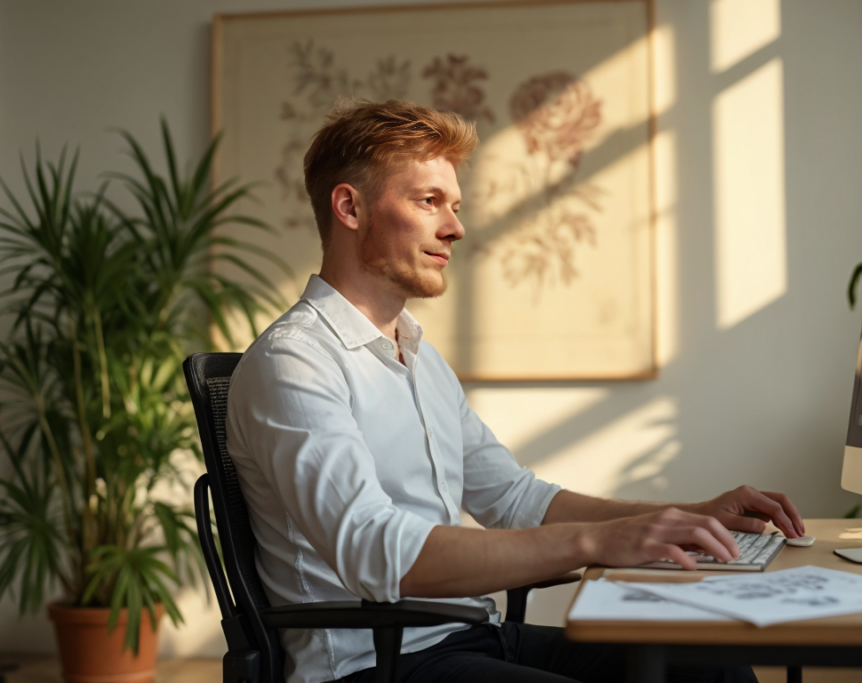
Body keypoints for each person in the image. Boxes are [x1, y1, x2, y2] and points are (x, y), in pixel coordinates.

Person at [226, 99, 805, 683]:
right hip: (373, 665)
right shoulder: (292, 363)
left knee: (712, 668)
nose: (454, 227)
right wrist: (594, 541)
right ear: (349, 207)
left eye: (453, 206)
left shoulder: (418, 357)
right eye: (428, 201)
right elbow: (378, 552)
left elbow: (516, 500)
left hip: (472, 637)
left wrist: (683, 517)